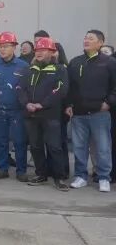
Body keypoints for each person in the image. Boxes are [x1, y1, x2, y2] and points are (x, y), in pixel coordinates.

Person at [66, 29, 116, 191]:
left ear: (100, 43)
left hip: (100, 113)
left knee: (103, 147)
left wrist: (108, 103)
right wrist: (69, 104)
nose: (86, 40)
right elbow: (69, 86)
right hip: (78, 113)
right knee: (79, 147)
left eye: (91, 38)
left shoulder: (109, 62)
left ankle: (104, 177)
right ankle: (81, 176)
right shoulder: (75, 62)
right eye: (85, 38)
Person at [17, 37, 70, 191]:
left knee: (54, 147)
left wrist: (42, 104)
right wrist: (27, 103)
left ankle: (59, 177)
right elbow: (20, 88)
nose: (39, 53)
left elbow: (60, 90)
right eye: (38, 50)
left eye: (44, 50)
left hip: (50, 115)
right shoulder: (29, 69)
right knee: (35, 146)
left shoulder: (59, 69)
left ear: (52, 53)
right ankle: (41, 174)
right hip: (31, 115)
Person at [0, 32, 30, 181]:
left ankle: (21, 171)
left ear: (14, 47)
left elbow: (28, 89)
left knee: (19, 141)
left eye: (6, 46)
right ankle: (2, 168)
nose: (2, 49)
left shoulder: (23, 66)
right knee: (0, 140)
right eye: (1, 47)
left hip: (17, 111)